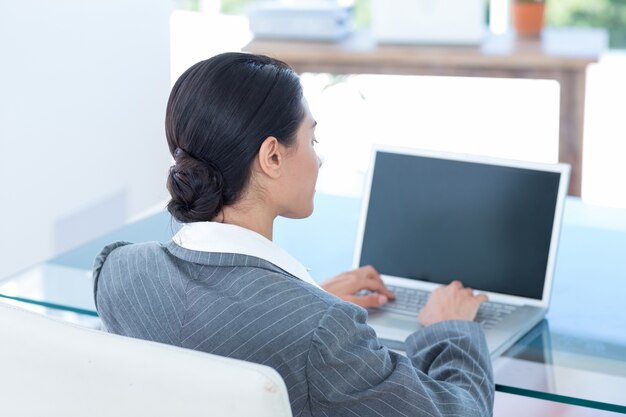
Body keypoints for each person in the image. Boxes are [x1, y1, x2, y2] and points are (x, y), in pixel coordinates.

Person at [93, 52, 494, 417]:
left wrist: (304, 300)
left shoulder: (119, 270)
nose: (318, 157)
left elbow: (215, 324)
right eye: (311, 139)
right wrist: (450, 330)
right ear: (272, 156)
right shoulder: (321, 333)